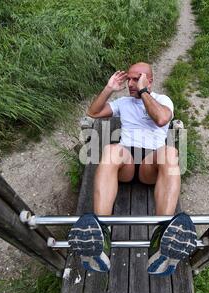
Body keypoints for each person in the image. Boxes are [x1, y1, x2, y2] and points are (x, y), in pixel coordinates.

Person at [67, 62, 196, 276]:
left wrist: (144, 92)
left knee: (171, 153)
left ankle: (161, 238)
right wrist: (109, 88)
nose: (131, 83)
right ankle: (101, 236)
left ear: (149, 81)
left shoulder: (163, 101)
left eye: (137, 78)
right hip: (127, 161)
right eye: (130, 79)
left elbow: (162, 119)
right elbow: (93, 112)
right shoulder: (123, 102)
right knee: (110, 150)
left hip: (150, 165)